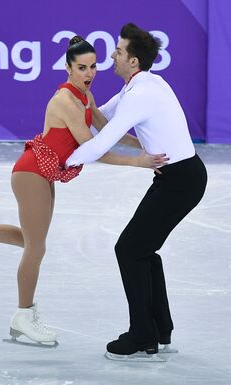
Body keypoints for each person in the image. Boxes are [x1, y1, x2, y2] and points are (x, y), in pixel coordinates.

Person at [0, 36, 168, 347]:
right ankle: (22, 316)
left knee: (31, 242)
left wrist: (143, 143)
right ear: (68, 68)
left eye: (93, 66)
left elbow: (108, 129)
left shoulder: (85, 96)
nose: (89, 73)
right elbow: (92, 147)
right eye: (82, 67)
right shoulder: (64, 101)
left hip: (43, 174)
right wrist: (139, 162)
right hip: (31, 173)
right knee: (36, 248)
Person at [65, 23, 208, 361]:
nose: (111, 56)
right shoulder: (139, 86)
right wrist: (81, 100)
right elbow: (101, 119)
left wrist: (63, 162)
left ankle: (142, 334)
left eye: (118, 51)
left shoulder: (143, 93)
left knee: (129, 250)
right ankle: (158, 329)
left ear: (132, 61)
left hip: (181, 182)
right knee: (142, 250)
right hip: (177, 177)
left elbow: (103, 140)